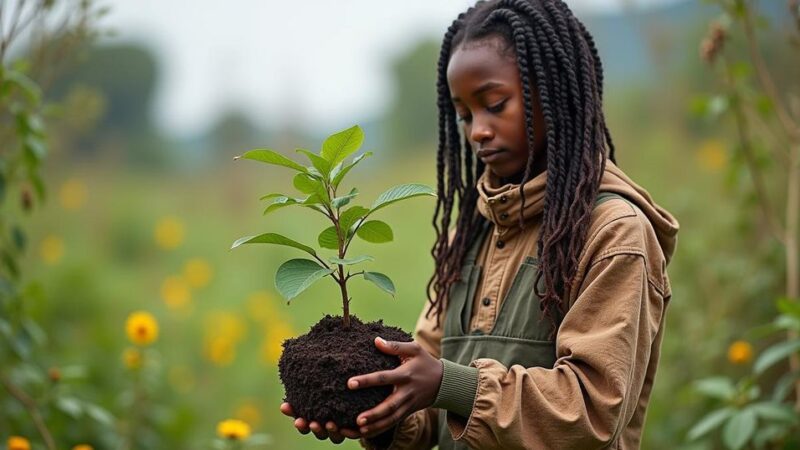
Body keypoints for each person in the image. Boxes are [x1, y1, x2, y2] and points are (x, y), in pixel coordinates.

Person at [281, 0, 679, 448]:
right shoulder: (470, 235)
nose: (477, 132)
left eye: (495, 105)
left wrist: (453, 385)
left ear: (556, 94)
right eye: (464, 115)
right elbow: (431, 398)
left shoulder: (613, 235)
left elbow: (591, 413)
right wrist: (380, 413)